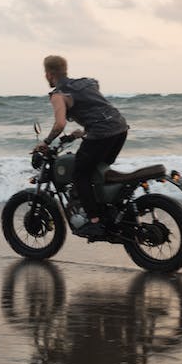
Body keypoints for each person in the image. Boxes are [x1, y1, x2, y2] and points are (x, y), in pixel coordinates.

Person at [35, 55, 129, 237]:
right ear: (65, 70)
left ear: (49, 74)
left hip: (101, 134)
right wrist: (84, 130)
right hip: (120, 129)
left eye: (45, 74)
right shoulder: (88, 83)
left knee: (80, 175)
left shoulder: (58, 95)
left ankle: (94, 220)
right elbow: (95, 106)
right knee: (99, 171)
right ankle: (111, 209)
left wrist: (45, 142)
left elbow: (60, 124)